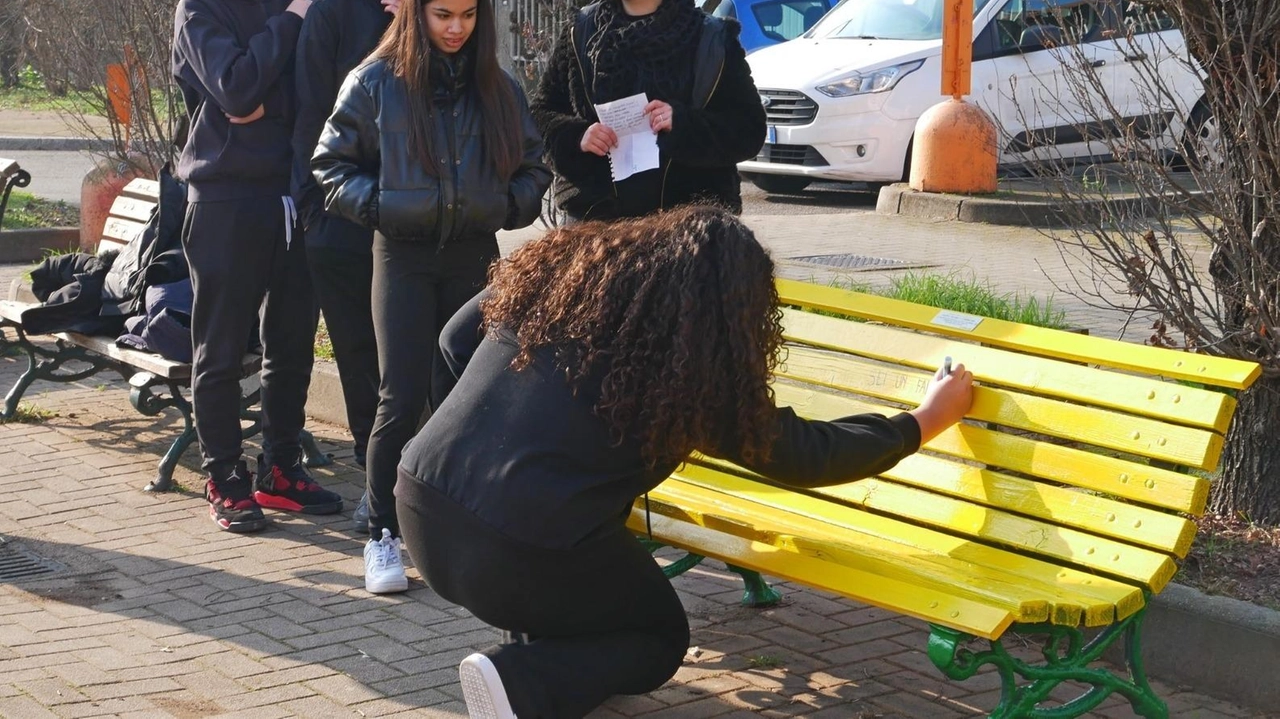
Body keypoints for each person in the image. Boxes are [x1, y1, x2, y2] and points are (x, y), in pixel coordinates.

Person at [393, 206, 975, 718]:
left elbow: (452, 338)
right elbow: (805, 454)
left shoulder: (559, 280)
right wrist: (924, 420)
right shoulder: (688, 372)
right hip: (522, 549)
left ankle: (532, 667)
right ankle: (521, 684)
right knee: (657, 635)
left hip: (420, 504)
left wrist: (474, 439)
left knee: (575, 564)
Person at [311, 0, 551, 594]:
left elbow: (533, 168)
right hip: (402, 256)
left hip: (474, 257)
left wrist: (501, 206)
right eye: (443, 13)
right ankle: (381, 534)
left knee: (470, 396)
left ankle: (457, 528)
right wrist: (389, 207)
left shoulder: (497, 86)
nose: (455, 27)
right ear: (415, 13)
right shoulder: (373, 80)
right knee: (400, 395)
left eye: (468, 15)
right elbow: (330, 164)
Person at [173, 0, 344, 533]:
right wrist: (291, 19)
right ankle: (225, 478)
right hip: (225, 197)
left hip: (295, 195)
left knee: (291, 343)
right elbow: (235, 88)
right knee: (220, 349)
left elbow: (325, 92)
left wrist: (265, 103)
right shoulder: (199, 9)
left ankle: (281, 470)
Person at [290, 0, 397, 529]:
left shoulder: (439, 15)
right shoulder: (331, 12)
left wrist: (413, 24)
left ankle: (425, 484)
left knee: (418, 354)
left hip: (417, 222)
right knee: (358, 354)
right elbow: (309, 111)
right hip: (338, 217)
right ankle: (374, 479)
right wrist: (311, 208)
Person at [530, 0, 766, 222]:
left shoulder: (711, 38)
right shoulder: (581, 31)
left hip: (688, 232)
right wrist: (577, 137)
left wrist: (684, 124)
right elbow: (540, 115)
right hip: (595, 231)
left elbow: (749, 129)